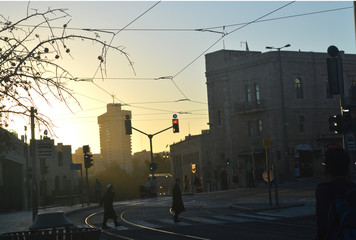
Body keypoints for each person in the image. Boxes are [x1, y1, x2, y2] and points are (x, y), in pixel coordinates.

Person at [315, 147, 356, 240]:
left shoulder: (324, 190)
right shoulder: (353, 188)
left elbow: (322, 224)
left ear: (326, 169)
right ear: (347, 168)